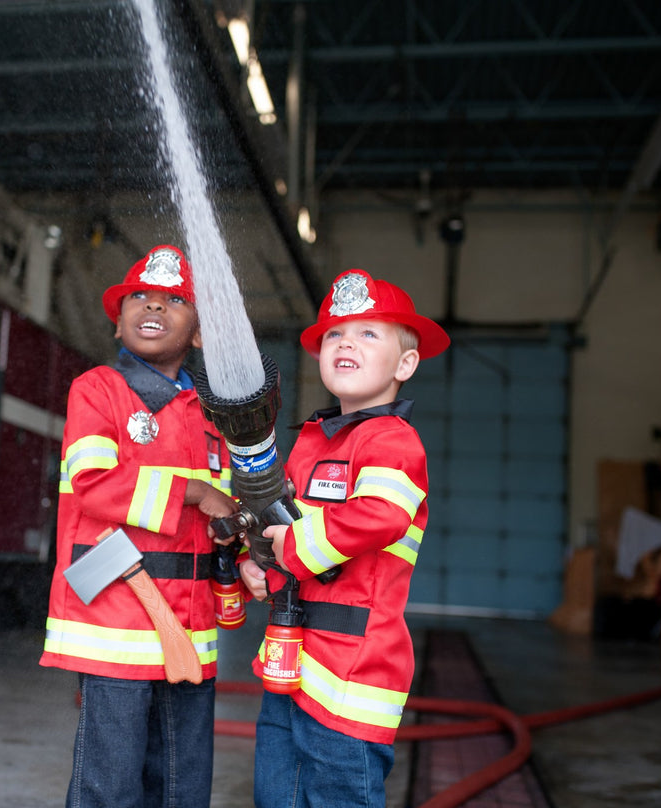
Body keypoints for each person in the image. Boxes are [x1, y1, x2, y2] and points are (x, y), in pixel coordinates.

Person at [238, 269, 450, 808]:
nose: (346, 343)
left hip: (354, 674)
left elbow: (381, 516)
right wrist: (258, 563)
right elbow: (280, 526)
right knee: (276, 797)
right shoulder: (312, 440)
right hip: (291, 662)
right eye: (334, 334)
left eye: (368, 333)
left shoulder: (393, 440)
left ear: (406, 364)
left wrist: (292, 549)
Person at [40, 244, 240, 808]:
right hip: (116, 620)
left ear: (199, 334)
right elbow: (95, 485)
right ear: (117, 323)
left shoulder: (211, 413)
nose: (152, 307)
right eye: (139, 298)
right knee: (113, 782)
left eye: (174, 301)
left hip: (191, 625)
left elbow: (224, 508)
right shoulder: (99, 390)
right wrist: (196, 492)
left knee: (181, 782)